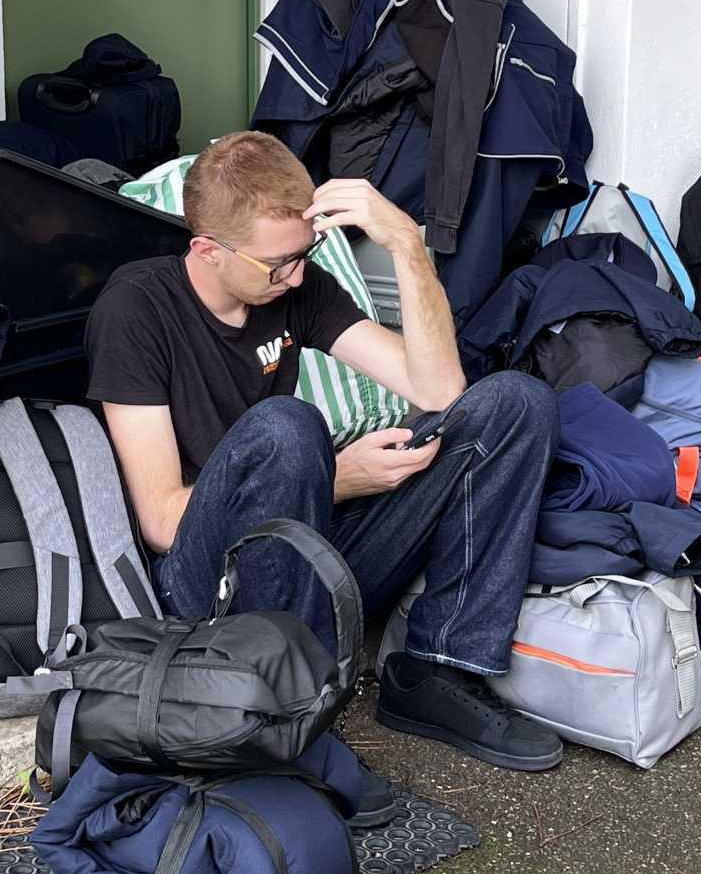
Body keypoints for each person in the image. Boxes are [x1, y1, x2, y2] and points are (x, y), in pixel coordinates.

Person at [85, 131, 564, 799]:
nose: (297, 275)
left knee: (514, 403)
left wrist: (406, 245)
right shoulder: (136, 309)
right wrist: (337, 476)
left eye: (304, 254)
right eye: (278, 263)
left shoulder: (294, 285)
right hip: (208, 593)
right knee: (288, 429)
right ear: (208, 251)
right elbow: (165, 520)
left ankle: (436, 670)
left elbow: (440, 392)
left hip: (304, 550)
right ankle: (284, 727)